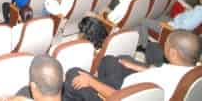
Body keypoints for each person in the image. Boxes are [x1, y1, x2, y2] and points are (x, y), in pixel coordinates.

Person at [63, 30, 201, 101]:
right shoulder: (194, 71)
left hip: (119, 95)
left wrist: (92, 82)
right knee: (112, 60)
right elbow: (159, 72)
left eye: (166, 44)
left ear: (173, 53)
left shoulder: (163, 80)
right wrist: (137, 67)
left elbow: (121, 97)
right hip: (128, 86)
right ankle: (101, 83)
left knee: (74, 74)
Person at [137, 0, 202, 49]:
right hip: (175, 23)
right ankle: (148, 35)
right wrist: (187, 11)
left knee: (143, 21)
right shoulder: (198, 9)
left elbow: (183, 28)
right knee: (161, 16)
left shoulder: (199, 12)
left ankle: (144, 46)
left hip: (171, 30)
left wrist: (165, 25)